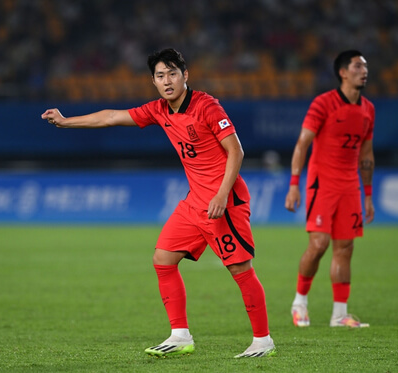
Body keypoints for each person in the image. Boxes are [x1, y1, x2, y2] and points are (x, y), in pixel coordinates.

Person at [42, 48, 276, 358]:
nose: (167, 81)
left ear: (185, 75)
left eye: (172, 74)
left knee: (240, 269)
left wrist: (221, 195)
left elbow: (236, 151)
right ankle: (180, 336)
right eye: (160, 76)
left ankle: (263, 341)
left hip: (224, 201)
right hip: (195, 203)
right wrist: (66, 121)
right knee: (163, 258)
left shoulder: (207, 107)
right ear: (153, 81)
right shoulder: (159, 110)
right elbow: (112, 117)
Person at [284, 50, 375, 328]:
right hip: (321, 183)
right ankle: (299, 303)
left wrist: (368, 194)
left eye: (365, 66)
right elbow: (302, 144)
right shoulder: (323, 103)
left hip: (350, 186)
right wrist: (294, 185)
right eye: (358, 66)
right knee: (319, 244)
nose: (364, 70)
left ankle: (339, 314)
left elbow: (366, 154)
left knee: (345, 248)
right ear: (343, 72)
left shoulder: (368, 109)